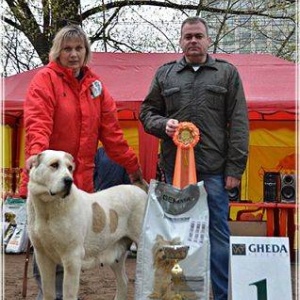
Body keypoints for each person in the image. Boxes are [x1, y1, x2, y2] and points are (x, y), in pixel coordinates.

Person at [19, 24, 143, 300]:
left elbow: (112, 135)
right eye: (67, 48)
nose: (73, 54)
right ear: (57, 52)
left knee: (70, 258)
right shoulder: (44, 80)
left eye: (79, 48)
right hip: (45, 186)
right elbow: (37, 123)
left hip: (78, 187)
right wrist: (37, 156)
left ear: (86, 51)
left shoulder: (96, 88)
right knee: (49, 264)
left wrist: (133, 168)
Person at [139, 16, 249, 300]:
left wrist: (235, 168)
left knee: (219, 238)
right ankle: (181, 295)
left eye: (198, 36)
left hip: (215, 172)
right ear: (180, 41)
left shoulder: (226, 73)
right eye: (188, 36)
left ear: (208, 40)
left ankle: (221, 296)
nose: (193, 41)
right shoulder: (165, 75)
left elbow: (238, 123)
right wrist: (163, 125)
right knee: (176, 239)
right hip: (174, 175)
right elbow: (146, 113)